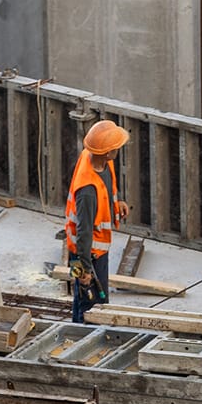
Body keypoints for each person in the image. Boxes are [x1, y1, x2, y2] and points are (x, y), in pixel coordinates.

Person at [64, 120, 131, 324]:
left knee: (82, 296)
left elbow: (108, 189)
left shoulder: (97, 158)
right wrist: (84, 270)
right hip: (86, 252)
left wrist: (116, 204)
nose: (118, 149)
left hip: (85, 249)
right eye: (115, 148)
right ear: (107, 152)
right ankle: (85, 337)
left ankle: (76, 328)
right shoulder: (87, 191)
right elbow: (84, 232)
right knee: (93, 303)